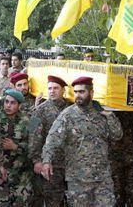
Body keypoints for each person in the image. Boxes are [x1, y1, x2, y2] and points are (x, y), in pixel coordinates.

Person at [42, 76, 123, 206]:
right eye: (76, 92)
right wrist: (46, 161)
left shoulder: (102, 113)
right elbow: (52, 140)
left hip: (102, 178)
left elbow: (117, 135)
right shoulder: (67, 115)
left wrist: (110, 117)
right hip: (78, 179)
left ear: (91, 93)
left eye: (82, 92)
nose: (78, 95)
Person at [29, 76, 70, 207]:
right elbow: (33, 136)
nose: (52, 91)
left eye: (56, 88)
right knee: (53, 200)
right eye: (50, 88)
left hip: (70, 164)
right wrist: (36, 160)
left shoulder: (71, 108)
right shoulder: (39, 110)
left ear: (63, 90)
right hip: (51, 164)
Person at [0, 89, 32, 206]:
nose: (8, 105)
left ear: (19, 105)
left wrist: (16, 146)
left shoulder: (29, 121)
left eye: (13, 103)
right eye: (6, 102)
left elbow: (34, 146)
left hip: (21, 174)